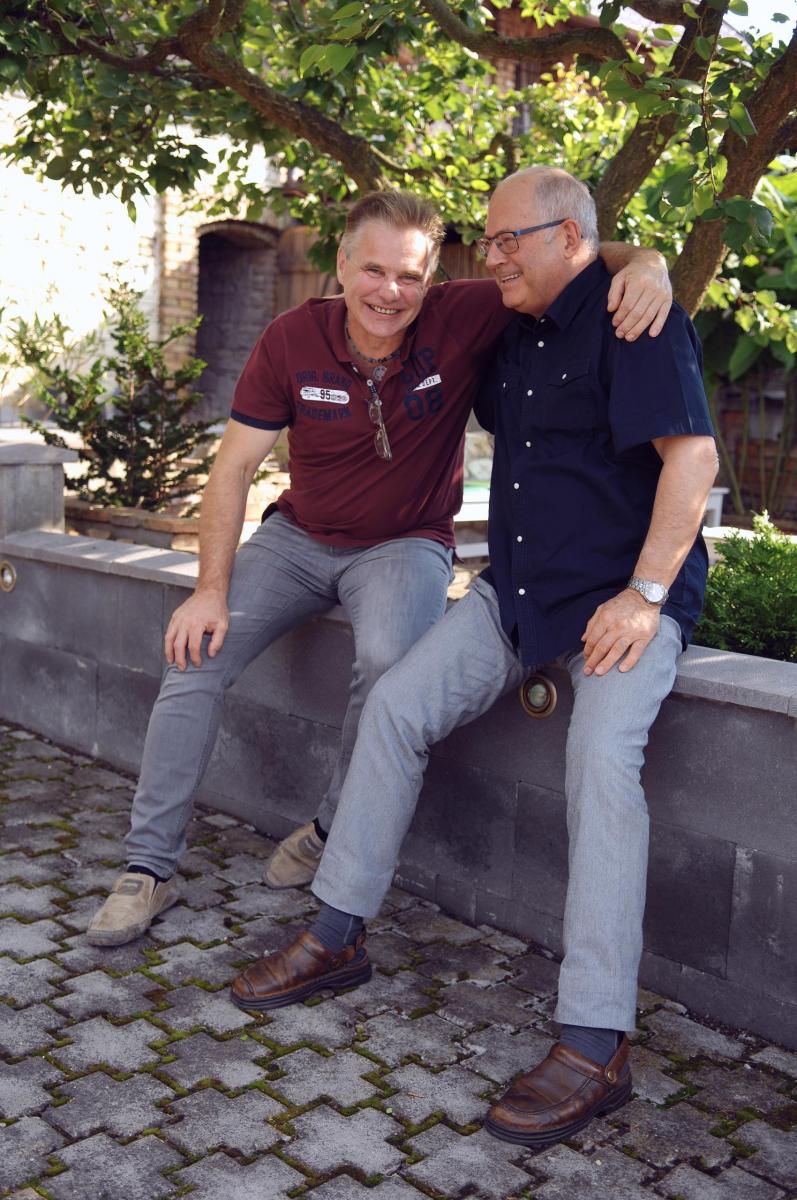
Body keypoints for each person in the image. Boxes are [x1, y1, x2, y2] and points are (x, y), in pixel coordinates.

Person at [229, 167, 718, 1150]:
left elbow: (693, 459)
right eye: (484, 241)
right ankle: (336, 933)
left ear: (567, 239)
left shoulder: (635, 319)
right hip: (517, 591)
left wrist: (643, 594)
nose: (487, 258)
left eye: (504, 241)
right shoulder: (509, 326)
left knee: (600, 763)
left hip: (620, 600)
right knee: (396, 706)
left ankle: (595, 1042)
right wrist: (642, 252)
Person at [87, 188, 670, 947]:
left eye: (410, 276)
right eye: (374, 270)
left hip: (406, 543)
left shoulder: (464, 313)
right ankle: (148, 868)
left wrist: (647, 262)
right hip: (297, 539)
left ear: (431, 279)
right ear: (340, 264)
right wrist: (209, 590)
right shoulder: (291, 338)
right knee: (193, 654)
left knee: (392, 662)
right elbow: (231, 469)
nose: (390, 292)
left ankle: (331, 829)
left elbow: (568, 259)